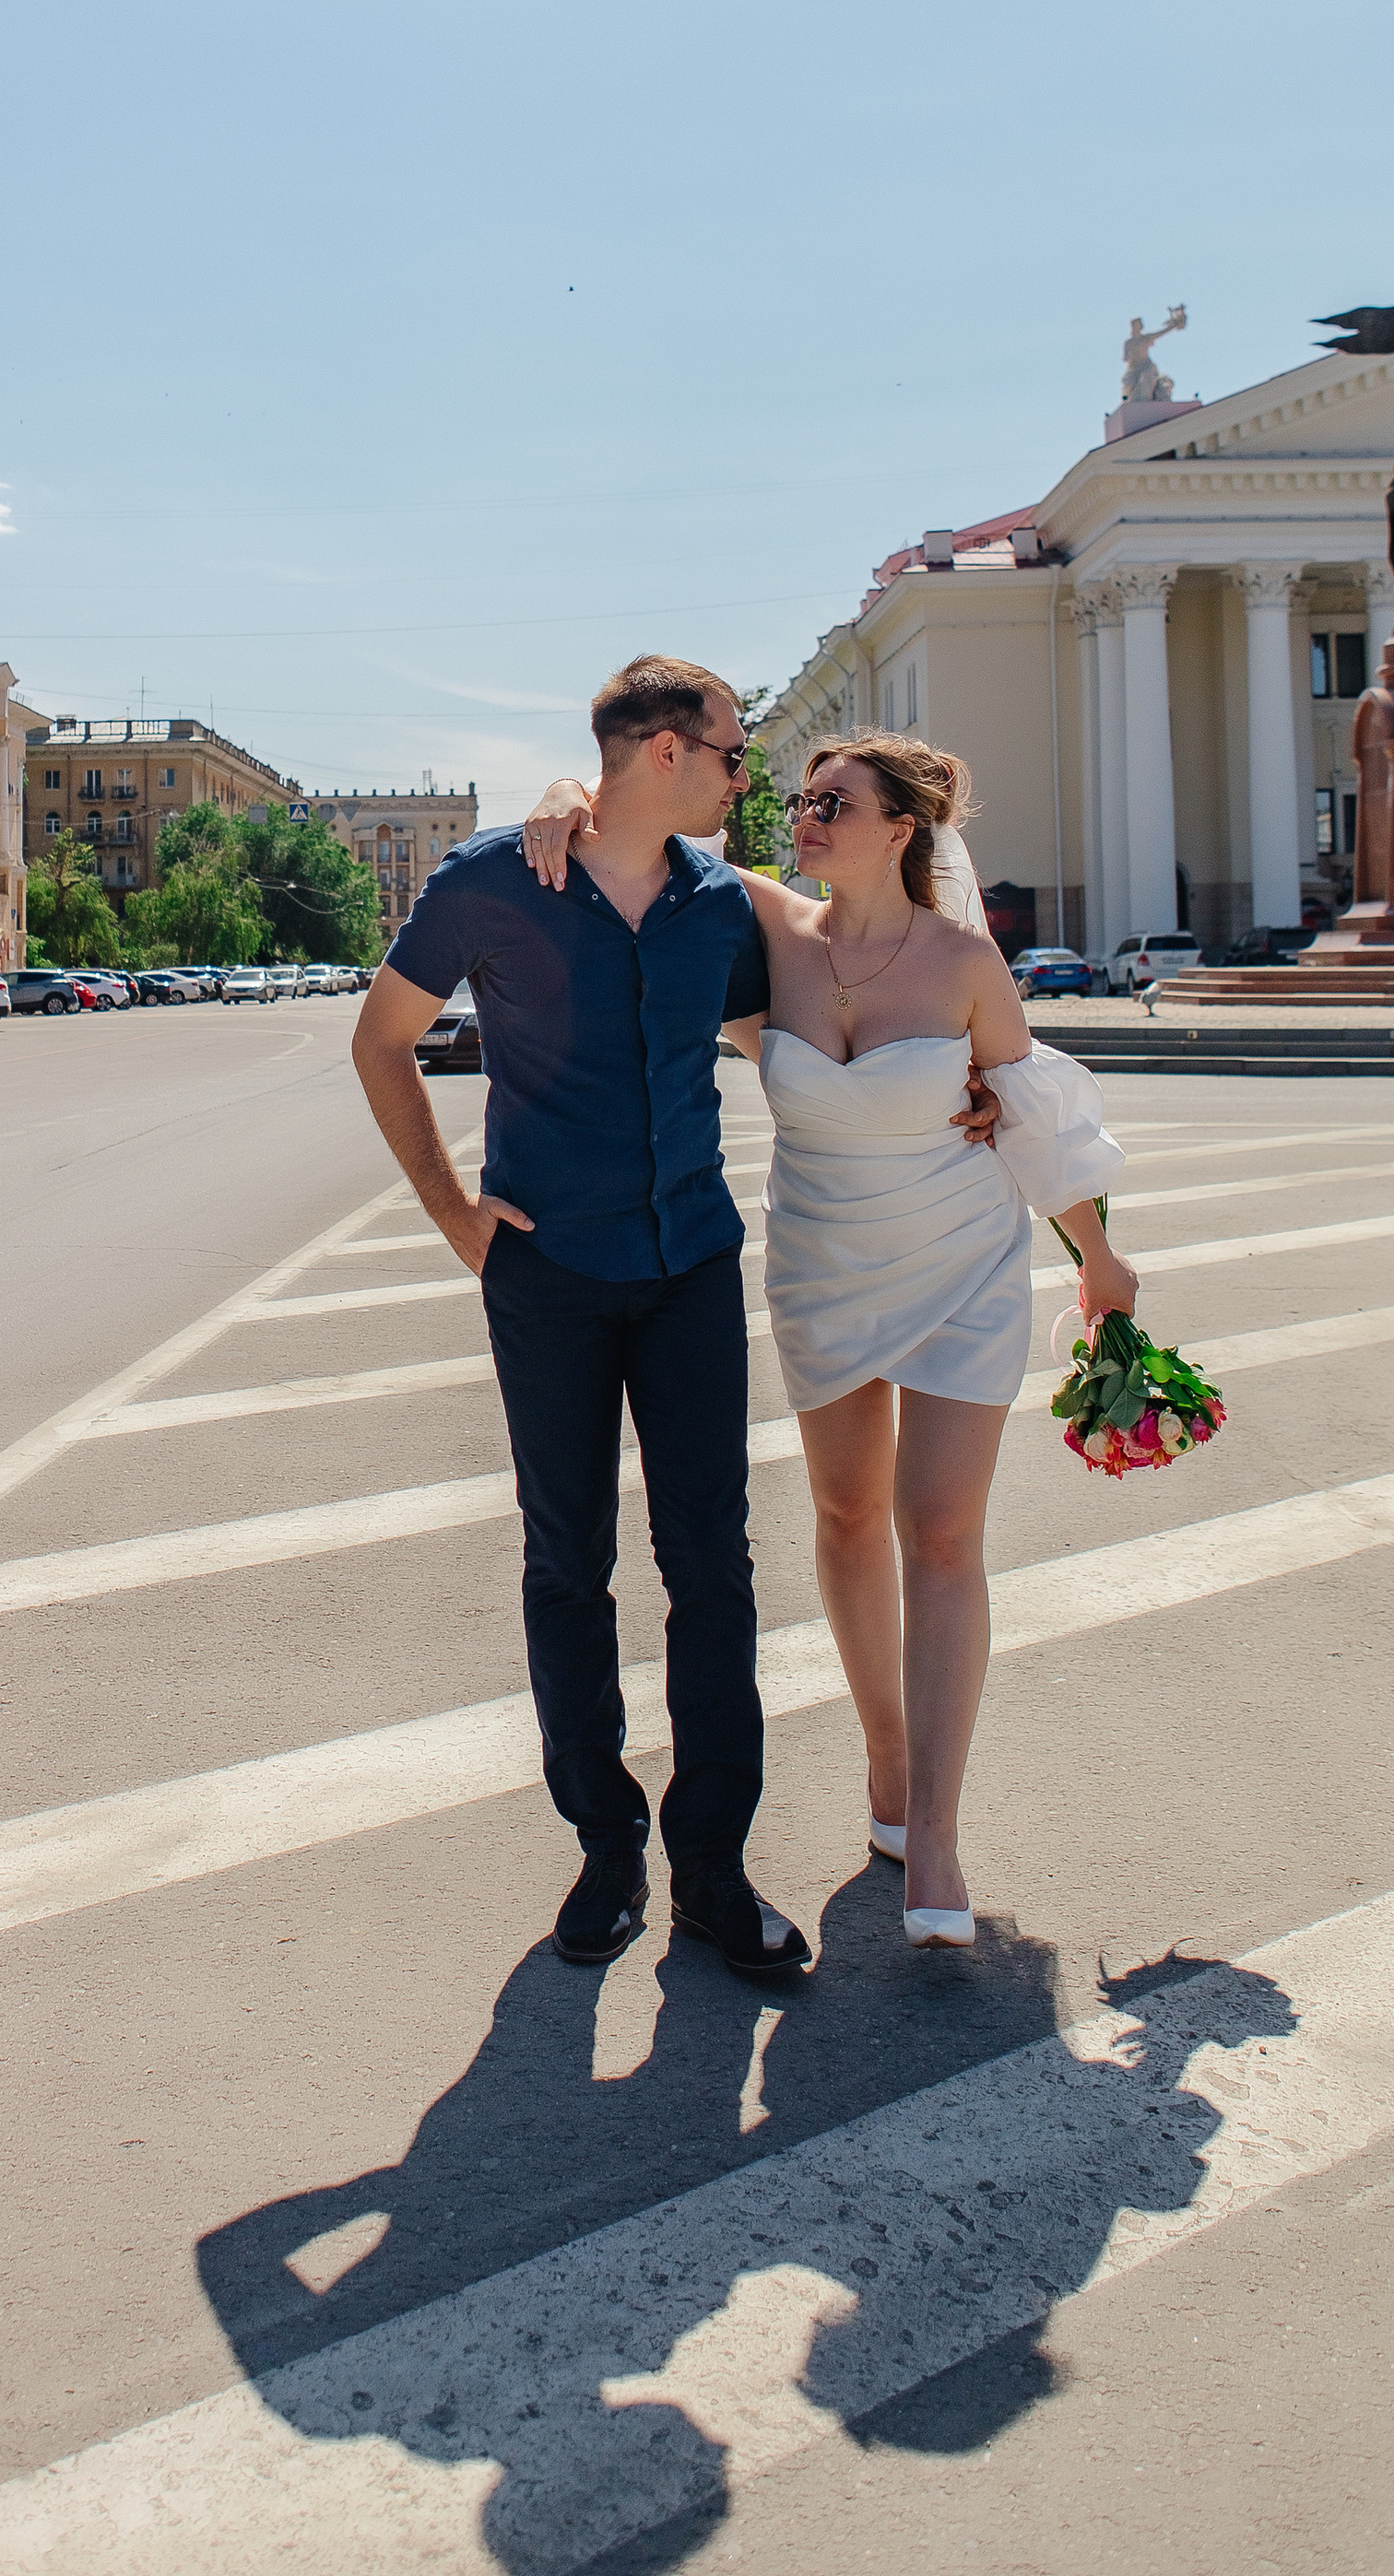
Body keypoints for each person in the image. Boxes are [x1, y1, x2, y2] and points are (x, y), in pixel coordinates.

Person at [353, 657, 992, 1984]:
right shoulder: (492, 881)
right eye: (733, 754)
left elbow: (824, 1031)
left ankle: (712, 1868)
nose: (749, 779)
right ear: (661, 752)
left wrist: (971, 1099)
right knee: (565, 1562)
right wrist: (452, 1212)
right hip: (549, 1276)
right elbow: (381, 1039)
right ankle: (604, 1851)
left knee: (715, 1569)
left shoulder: (722, 909)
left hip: (692, 1265)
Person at [521, 728, 1132, 1947]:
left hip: (961, 1263)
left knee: (941, 1531)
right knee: (848, 1519)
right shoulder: (767, 932)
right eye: (801, 800)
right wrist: (557, 795)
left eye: (833, 804)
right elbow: (637, 813)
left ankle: (939, 1843)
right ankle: (890, 1767)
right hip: (822, 1264)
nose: (803, 819)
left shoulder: (966, 959)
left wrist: (1100, 1259)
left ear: (904, 829)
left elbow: (1031, 1115)